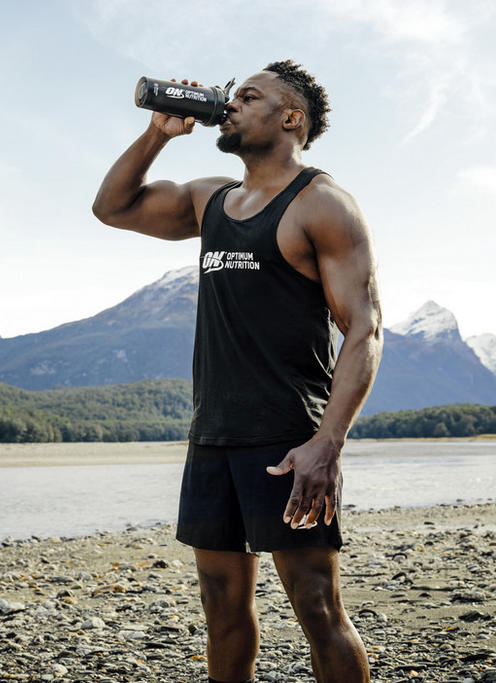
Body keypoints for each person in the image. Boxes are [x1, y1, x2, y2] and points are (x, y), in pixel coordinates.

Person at [92, 60, 382, 683]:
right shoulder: (210, 199)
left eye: (249, 97)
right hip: (213, 435)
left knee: (316, 605)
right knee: (221, 606)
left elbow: (365, 329)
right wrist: (157, 136)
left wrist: (326, 444)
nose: (231, 103)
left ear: (290, 118)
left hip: (286, 438)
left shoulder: (322, 204)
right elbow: (112, 207)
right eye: (234, 94)